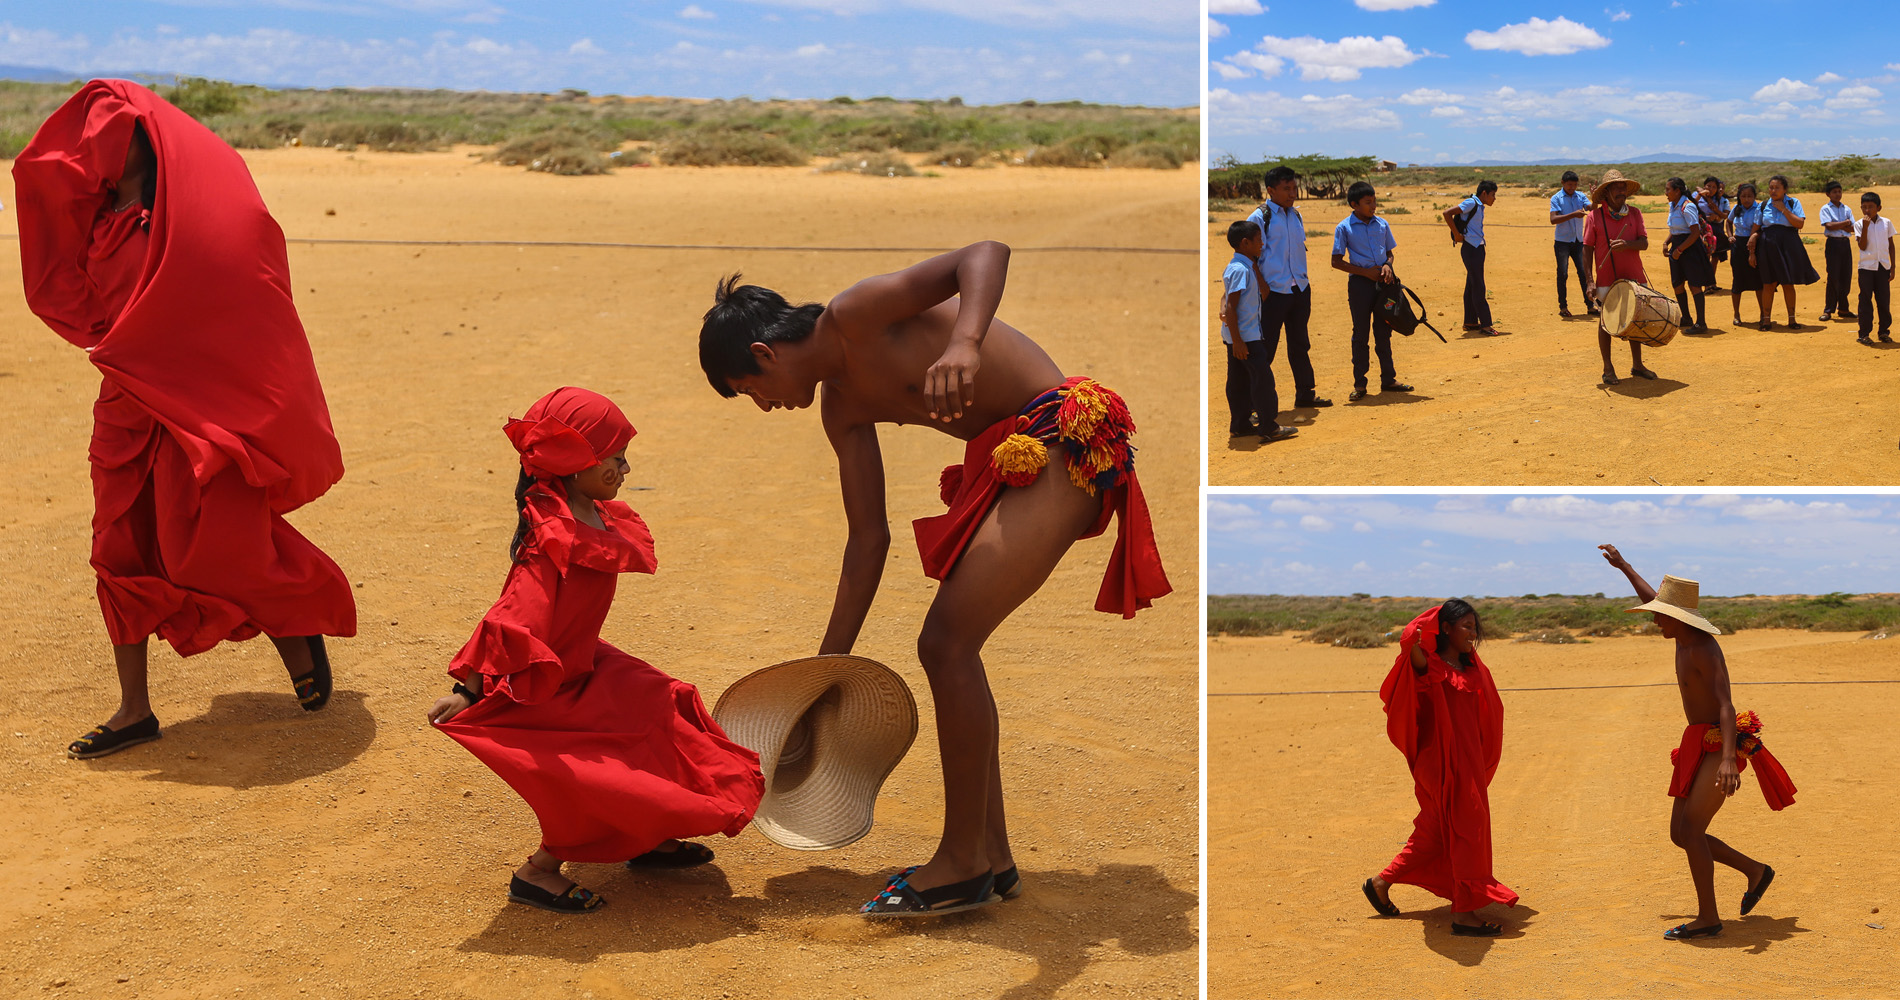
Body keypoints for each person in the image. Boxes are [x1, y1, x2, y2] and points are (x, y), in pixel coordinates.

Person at [697, 242, 1171, 916]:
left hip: (1067, 437)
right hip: (1020, 468)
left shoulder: (857, 313)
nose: (762, 405)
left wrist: (965, 344)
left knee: (946, 644)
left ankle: (961, 860)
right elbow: (868, 542)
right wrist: (827, 666)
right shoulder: (842, 408)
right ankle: (990, 856)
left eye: (750, 392)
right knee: (950, 646)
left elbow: (983, 254)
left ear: (765, 356)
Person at [14, 80, 357, 760]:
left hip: (191, 407)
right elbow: (80, 296)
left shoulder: (193, 223)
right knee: (118, 548)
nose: (91, 155)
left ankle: (296, 625)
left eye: (105, 139)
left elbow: (245, 304)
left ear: (141, 142)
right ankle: (133, 708)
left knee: (208, 544)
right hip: (123, 407)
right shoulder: (101, 220)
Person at [429, 387, 764, 913]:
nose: (626, 467)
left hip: (584, 663)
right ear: (574, 461)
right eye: (615, 457)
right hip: (547, 684)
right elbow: (508, 617)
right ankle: (537, 872)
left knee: (662, 706)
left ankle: (647, 835)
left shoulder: (591, 512)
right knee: (594, 774)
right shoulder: (552, 536)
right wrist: (466, 689)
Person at [1598, 545, 1795, 941]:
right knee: (1680, 834)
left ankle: (1709, 917)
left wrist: (1727, 760)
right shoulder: (1680, 639)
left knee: (1691, 831)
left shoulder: (1703, 647)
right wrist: (1624, 566)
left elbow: (1726, 704)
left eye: (1658, 615)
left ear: (1676, 617)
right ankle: (1755, 871)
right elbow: (1647, 597)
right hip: (1694, 741)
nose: (1653, 620)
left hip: (1717, 741)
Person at [1362, 600, 1518, 936]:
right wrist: (1418, 632)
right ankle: (1463, 914)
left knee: (1436, 832)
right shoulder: (1429, 664)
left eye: (1475, 627)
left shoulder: (1472, 665)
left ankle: (1380, 882)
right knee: (1464, 829)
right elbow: (1410, 648)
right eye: (1466, 627)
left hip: (1468, 762)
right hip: (1442, 763)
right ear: (1446, 629)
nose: (1473, 634)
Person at [1247, 166, 1333, 407]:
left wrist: (1303, 284)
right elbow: (1248, 258)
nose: (1292, 193)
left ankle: (1305, 395)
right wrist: (1263, 287)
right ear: (1271, 190)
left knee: (1300, 345)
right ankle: (1255, 406)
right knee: (1266, 349)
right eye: (1286, 189)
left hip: (1299, 290)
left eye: (1294, 188)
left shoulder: (1296, 215)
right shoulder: (1259, 217)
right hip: (1273, 293)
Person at [1330, 182, 1412, 401]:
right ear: (1354, 204)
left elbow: (1389, 253)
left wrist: (1388, 266)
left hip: (1384, 285)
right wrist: (1364, 273)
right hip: (1360, 286)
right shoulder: (1344, 227)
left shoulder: (1382, 224)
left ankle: (1389, 379)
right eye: (1368, 202)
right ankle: (1360, 384)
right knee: (1361, 334)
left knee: (1384, 330)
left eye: (1374, 201)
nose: (1373, 205)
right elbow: (1336, 261)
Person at [1222, 220, 1297, 442]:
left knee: (1238, 381)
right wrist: (1238, 341)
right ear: (1245, 243)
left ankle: (1240, 425)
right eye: (1258, 240)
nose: (1262, 244)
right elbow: (1230, 306)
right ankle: (1269, 427)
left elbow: (1253, 296)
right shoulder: (1240, 270)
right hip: (1247, 338)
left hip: (1239, 336)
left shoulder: (1241, 266)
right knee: (1262, 381)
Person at [1582, 170, 1658, 384]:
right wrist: (1590, 280)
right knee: (1606, 323)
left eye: (1623, 188)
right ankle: (1607, 368)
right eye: (1616, 188)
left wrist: (1628, 246)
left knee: (1635, 319)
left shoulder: (1635, 214)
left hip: (1635, 277)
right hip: (1607, 279)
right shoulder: (1594, 217)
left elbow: (1644, 243)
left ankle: (1637, 365)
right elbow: (1586, 249)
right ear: (1606, 192)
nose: (1621, 192)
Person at [1751, 174, 1820, 330]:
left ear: (1785, 189)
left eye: (1777, 188)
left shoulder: (1792, 202)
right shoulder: (1762, 206)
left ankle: (1792, 320)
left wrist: (1783, 210)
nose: (1773, 191)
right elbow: (1755, 229)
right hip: (1768, 246)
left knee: (1788, 284)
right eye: (1771, 187)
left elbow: (1800, 223)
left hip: (1789, 245)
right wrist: (1752, 247)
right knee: (1768, 283)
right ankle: (1766, 320)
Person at [1443, 180, 1500, 334]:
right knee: (1479, 286)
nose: (1494, 198)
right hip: (1471, 248)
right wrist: (1457, 234)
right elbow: (1447, 213)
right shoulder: (1471, 203)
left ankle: (1470, 322)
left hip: (1477, 247)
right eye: (1493, 195)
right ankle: (1486, 325)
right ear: (1484, 194)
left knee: (1471, 285)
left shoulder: (1479, 206)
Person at [1664, 177, 1713, 333]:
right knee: (1677, 284)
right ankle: (1686, 318)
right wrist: (1667, 242)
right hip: (1678, 246)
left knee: (1694, 284)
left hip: (1690, 249)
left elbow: (1694, 233)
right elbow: (1676, 229)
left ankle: (1701, 323)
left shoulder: (1688, 206)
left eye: (1668, 189)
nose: (1666, 193)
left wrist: (1679, 250)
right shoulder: (1673, 205)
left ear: (1677, 191)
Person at [1549, 170, 1595, 317]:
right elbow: (1553, 219)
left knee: (1584, 273)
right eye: (1569, 185)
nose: (1572, 188)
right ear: (1562, 183)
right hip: (1562, 242)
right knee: (1562, 274)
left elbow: (1593, 209)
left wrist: (1596, 197)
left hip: (1578, 241)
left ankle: (1590, 305)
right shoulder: (1556, 198)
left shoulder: (1580, 196)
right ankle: (1563, 307)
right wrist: (1573, 215)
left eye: (1574, 185)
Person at [1855, 191, 1895, 344]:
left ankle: (1884, 331)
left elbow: (1891, 245)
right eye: (1864, 207)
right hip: (1866, 267)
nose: (1867, 210)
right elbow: (1863, 246)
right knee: (1865, 300)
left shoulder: (1886, 223)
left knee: (1883, 300)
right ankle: (1864, 334)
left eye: (1870, 207)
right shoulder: (1859, 224)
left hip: (1883, 266)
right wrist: (1865, 227)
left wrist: (1893, 267)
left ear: (1879, 207)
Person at [1819, 181, 1858, 321]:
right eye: (1834, 192)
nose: (1838, 194)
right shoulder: (1825, 209)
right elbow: (1829, 226)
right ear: (1828, 194)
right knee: (1833, 277)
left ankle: (1843, 308)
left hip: (1845, 244)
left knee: (1845, 276)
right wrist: (1845, 223)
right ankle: (1828, 310)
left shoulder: (1846, 208)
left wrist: (1842, 225)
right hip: (1833, 244)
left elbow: (1853, 228)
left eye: (1839, 191)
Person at [1727, 183, 1765, 325]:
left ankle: (1763, 313)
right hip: (1738, 246)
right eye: (1743, 196)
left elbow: (1762, 227)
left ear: (1755, 197)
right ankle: (1736, 315)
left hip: (1756, 244)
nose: (1746, 199)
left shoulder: (1760, 208)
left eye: (1749, 196)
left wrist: (1753, 249)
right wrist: (1730, 235)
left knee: (1758, 281)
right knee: (1737, 280)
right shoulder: (1737, 209)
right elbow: (1728, 222)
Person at [1695, 176, 1731, 298]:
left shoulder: (1722, 201)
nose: (1714, 189)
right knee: (1706, 255)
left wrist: (1716, 214)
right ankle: (1706, 284)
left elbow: (1725, 215)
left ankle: (1711, 283)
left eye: (1716, 187)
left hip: (1717, 230)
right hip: (1703, 230)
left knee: (1715, 257)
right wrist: (1702, 194)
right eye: (1709, 186)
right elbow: (1692, 205)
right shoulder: (1699, 195)